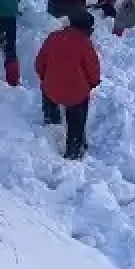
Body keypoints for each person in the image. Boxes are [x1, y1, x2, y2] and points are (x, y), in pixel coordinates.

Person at [35, 11, 101, 160]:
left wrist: (47, 79)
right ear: (88, 29)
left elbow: (39, 64)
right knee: (78, 112)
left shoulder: (53, 37)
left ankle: (51, 121)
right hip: (76, 94)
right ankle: (74, 146)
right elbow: (94, 73)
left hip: (51, 89)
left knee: (46, 89)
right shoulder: (85, 44)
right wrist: (89, 86)